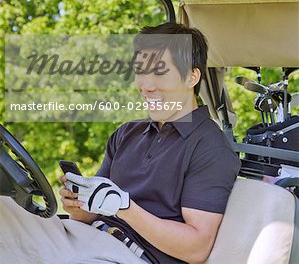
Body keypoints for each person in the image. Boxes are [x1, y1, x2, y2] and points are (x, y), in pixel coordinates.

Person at [0, 22, 240, 264]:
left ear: (191, 77)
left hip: (129, 256)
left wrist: (125, 208)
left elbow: (196, 249)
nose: (146, 86)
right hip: (85, 238)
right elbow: (89, 215)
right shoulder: (127, 134)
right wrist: (79, 204)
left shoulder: (210, 147)